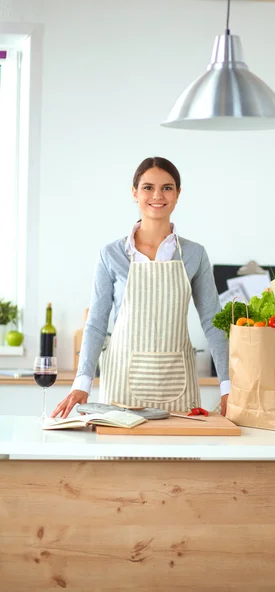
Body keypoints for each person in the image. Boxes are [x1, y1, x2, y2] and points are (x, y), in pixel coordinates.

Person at [52, 157, 230, 419]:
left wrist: (227, 386)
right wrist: (82, 383)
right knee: (121, 460)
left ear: (178, 194)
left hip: (177, 382)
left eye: (167, 188)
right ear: (134, 192)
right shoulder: (111, 254)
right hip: (120, 383)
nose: (157, 195)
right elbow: (96, 324)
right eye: (148, 187)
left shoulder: (195, 254)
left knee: (176, 459)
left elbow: (213, 323)